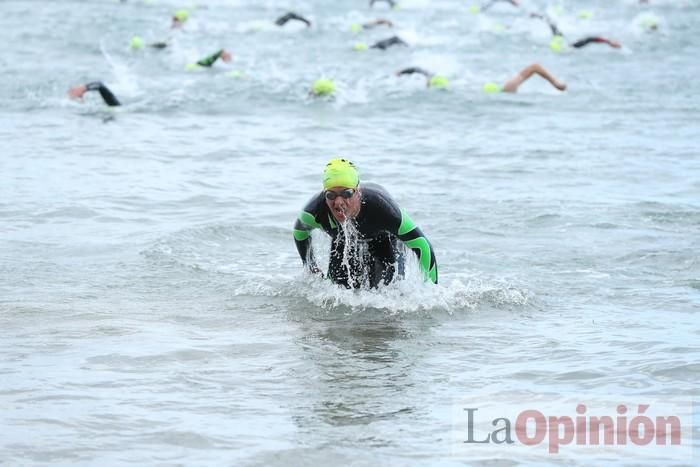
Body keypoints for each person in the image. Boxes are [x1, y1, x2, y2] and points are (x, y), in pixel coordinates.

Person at [293, 159, 438, 289]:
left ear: (358, 192)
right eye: (331, 195)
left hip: (384, 242)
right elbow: (299, 233)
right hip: (343, 243)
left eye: (346, 193)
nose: (338, 202)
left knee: (388, 296)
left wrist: (431, 290)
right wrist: (310, 265)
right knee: (336, 294)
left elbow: (422, 245)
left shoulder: (383, 209)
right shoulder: (315, 211)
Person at [530, 13, 621, 49]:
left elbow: (590, 39)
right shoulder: (562, 41)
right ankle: (537, 15)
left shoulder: (569, 45)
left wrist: (608, 42)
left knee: (553, 26)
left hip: (565, 46)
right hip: (563, 45)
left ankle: (537, 15)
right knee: (553, 26)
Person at [484, 63, 566, 93]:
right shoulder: (509, 89)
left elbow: (535, 67)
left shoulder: (509, 87)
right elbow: (535, 67)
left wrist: (556, 83)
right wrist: (556, 83)